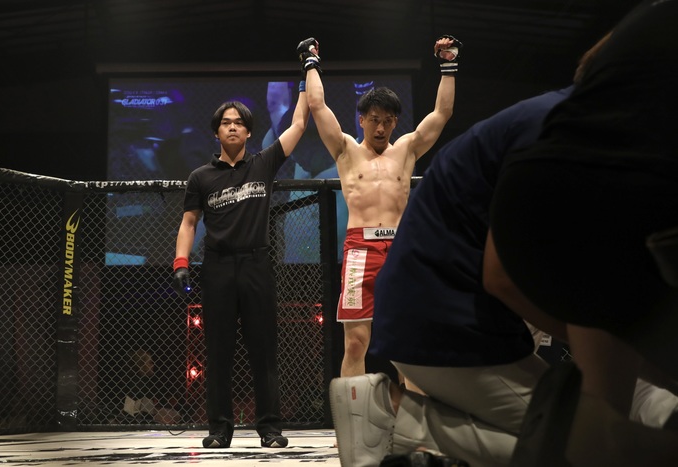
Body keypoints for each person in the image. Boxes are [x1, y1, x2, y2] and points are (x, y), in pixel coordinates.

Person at [327, 30, 678, 467]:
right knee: (588, 439)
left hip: (439, 292)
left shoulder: (578, 126)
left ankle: (412, 420)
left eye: (387, 119)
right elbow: (510, 275)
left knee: (629, 409)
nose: (380, 126)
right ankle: (407, 421)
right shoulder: (569, 131)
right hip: (434, 301)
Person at [486, 0, 678, 464]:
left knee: (607, 389)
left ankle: (598, 431)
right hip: (622, 203)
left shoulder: (573, 107)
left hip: (526, 207)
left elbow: (494, 272)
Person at [302, 34, 460, 377]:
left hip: (401, 248)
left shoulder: (406, 149)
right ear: (361, 119)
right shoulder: (345, 150)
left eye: (388, 120)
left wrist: (448, 65)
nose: (381, 127)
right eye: (374, 119)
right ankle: (354, 411)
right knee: (356, 343)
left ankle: (410, 409)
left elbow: (443, 112)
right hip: (360, 249)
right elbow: (317, 106)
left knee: (409, 338)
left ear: (395, 122)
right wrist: (310, 62)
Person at [171, 60, 310, 448]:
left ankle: (270, 429)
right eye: (225, 122)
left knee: (263, 350)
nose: (232, 127)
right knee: (218, 352)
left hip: (256, 265)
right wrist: (180, 263)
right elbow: (188, 223)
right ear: (216, 132)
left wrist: (305, 79)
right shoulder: (200, 177)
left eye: (238, 122)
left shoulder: (264, 163)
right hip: (217, 268)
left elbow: (300, 124)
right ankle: (219, 430)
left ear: (249, 131)